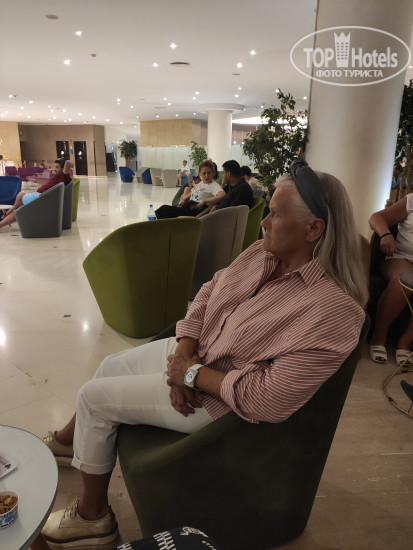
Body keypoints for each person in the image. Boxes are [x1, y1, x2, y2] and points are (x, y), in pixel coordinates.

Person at [40, 160, 367, 549]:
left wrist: (191, 376)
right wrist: (183, 353)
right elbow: (210, 290)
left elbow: (269, 398)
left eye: (276, 215)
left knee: (93, 399)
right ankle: (69, 442)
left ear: (314, 229)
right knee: (110, 365)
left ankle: (94, 518)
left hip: (217, 400)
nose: (264, 222)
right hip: (198, 350)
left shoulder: (333, 310)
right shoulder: (262, 252)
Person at [368, 195, 413, 365]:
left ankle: (405, 342)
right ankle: (378, 338)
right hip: (401, 258)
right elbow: (376, 217)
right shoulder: (411, 201)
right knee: (405, 280)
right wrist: (386, 234)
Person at [0, 159, 73, 229]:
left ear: (63, 168)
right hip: (40, 197)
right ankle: (5, 216)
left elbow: (68, 163)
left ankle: (4, 216)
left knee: (19, 199)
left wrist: (71, 165)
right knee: (18, 206)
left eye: (57, 167)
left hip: (41, 199)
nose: (55, 169)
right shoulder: (59, 175)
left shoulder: (64, 176)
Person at [155, 159, 225, 219]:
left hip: (192, 211)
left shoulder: (214, 185)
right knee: (163, 211)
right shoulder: (201, 183)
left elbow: (222, 195)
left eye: (209, 173)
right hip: (186, 207)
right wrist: (184, 199)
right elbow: (193, 192)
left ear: (213, 173)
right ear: (200, 174)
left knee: (164, 210)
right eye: (204, 173)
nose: (206, 176)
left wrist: (205, 201)